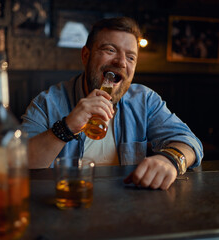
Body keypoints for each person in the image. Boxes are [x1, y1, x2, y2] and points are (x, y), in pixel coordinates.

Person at [21, 17, 203, 190]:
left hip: (127, 204)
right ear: (86, 56)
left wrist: (170, 160)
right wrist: (66, 127)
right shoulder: (47, 103)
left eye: (131, 57)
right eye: (110, 50)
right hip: (69, 203)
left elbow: (190, 142)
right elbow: (19, 163)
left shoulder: (144, 100)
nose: (121, 62)